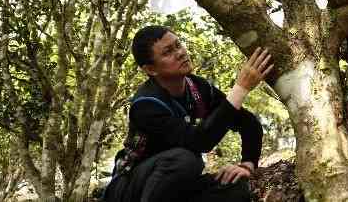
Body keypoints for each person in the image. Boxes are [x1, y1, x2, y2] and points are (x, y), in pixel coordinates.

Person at [103, 25, 273, 202]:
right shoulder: (146, 105)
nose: (180, 53)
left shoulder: (199, 88)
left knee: (237, 189)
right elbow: (199, 141)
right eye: (168, 52)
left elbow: (248, 123)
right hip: (131, 189)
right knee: (186, 159)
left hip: (175, 187)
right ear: (151, 69)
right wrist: (241, 88)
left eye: (178, 45)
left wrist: (247, 165)